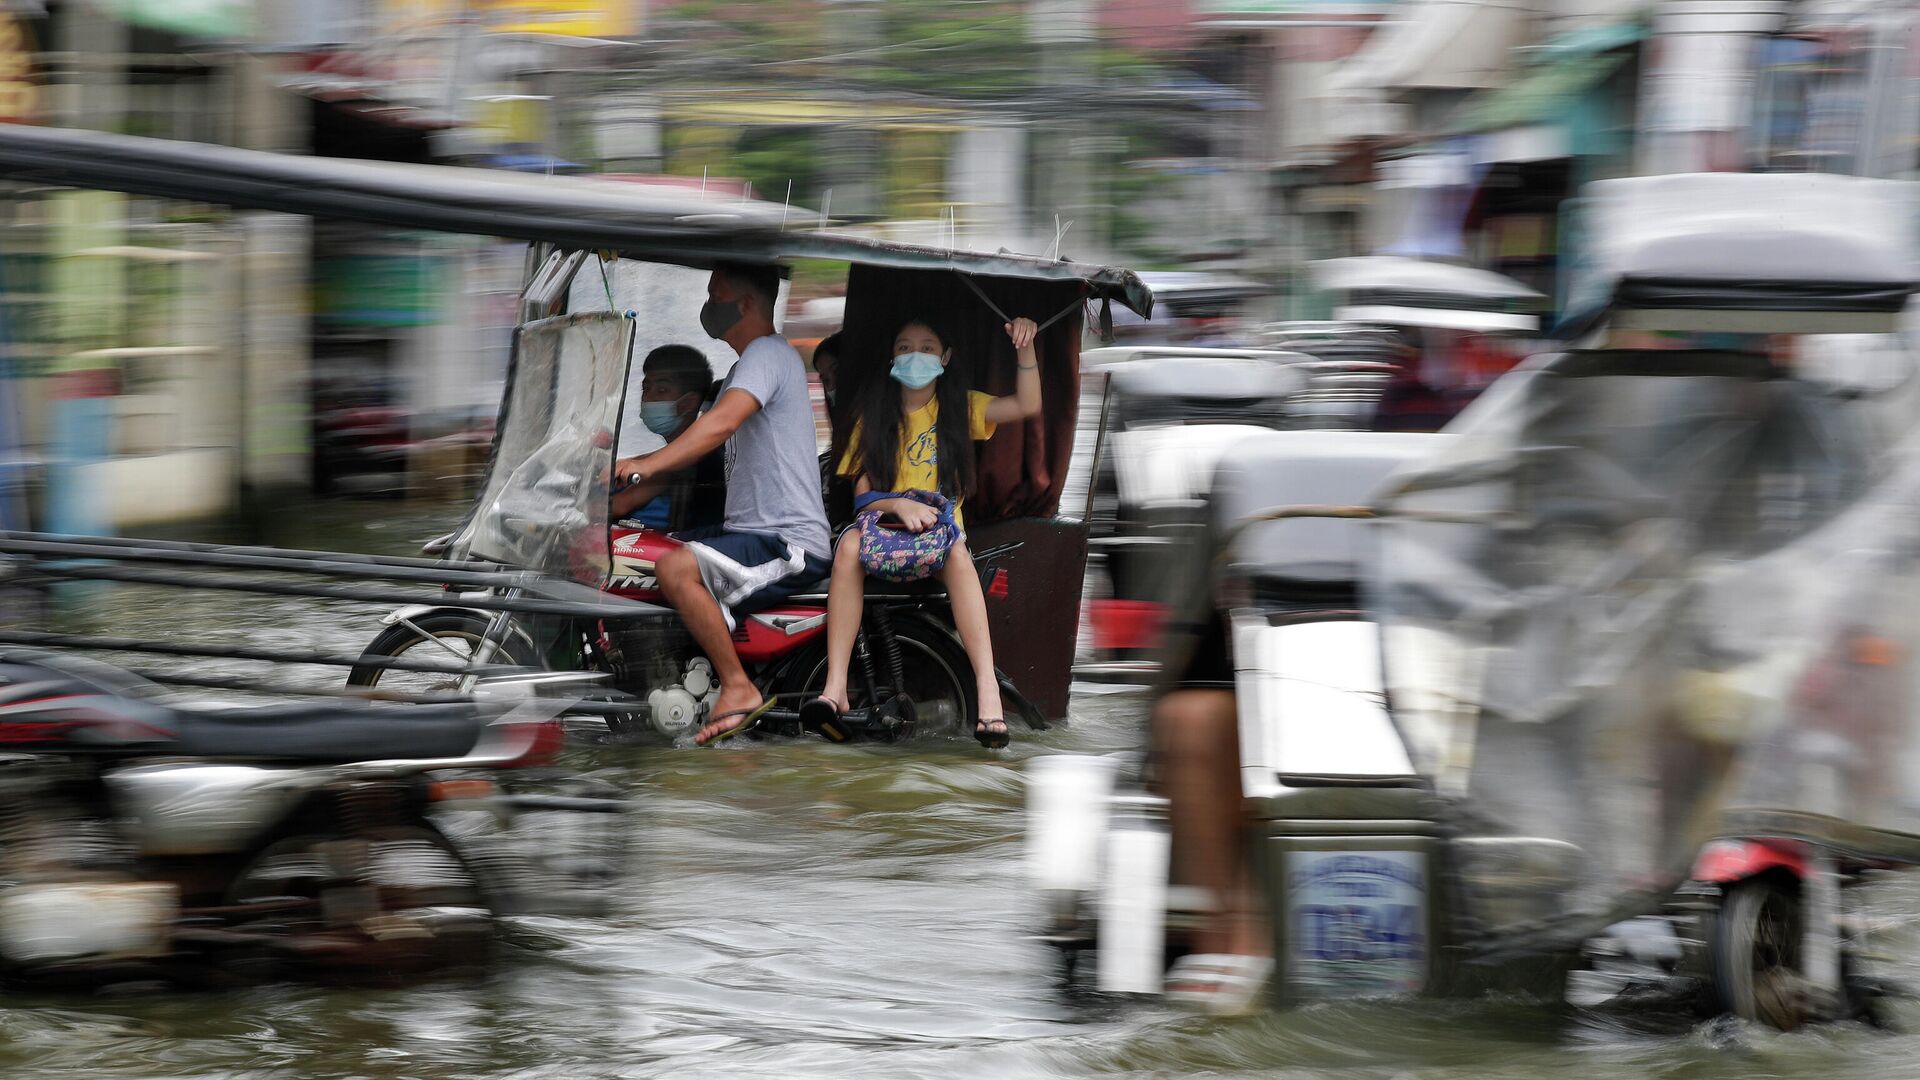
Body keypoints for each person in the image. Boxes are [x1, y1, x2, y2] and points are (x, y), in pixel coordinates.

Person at [613, 263, 832, 744]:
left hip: (786, 540)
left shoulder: (769, 355)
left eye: (717, 294)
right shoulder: (742, 368)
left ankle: (738, 687)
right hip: (748, 533)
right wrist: (616, 490)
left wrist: (640, 466)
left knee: (673, 568)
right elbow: (690, 450)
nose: (709, 304)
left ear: (747, 304)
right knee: (640, 553)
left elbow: (719, 426)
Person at [802, 314, 1041, 749]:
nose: (916, 356)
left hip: (941, 538)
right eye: (905, 347)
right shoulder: (869, 417)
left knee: (959, 556)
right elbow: (860, 500)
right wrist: (897, 503)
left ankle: (987, 688)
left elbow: (1026, 406)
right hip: (882, 534)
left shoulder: (962, 408)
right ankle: (835, 686)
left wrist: (1025, 348)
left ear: (945, 357)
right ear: (892, 356)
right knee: (847, 549)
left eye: (927, 348)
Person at [611, 345, 721, 529]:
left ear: (689, 403)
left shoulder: (684, 460)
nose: (648, 397)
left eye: (661, 390)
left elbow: (618, 505)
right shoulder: (672, 454)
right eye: (646, 388)